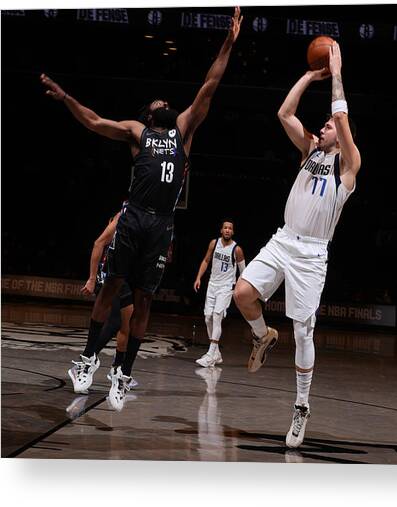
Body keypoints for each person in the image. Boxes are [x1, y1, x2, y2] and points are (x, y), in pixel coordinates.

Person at [40, 7, 243, 411]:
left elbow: (211, 83)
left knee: (146, 300)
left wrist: (227, 43)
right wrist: (66, 99)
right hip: (134, 216)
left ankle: (123, 372)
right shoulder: (138, 133)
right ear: (149, 115)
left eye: (166, 101)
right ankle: (87, 359)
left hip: (162, 223)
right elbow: (95, 122)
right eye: (157, 102)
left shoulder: (184, 127)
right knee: (112, 286)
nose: (164, 102)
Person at [233, 42, 361, 448]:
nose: (321, 128)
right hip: (283, 239)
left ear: (338, 135)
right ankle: (261, 334)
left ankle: (301, 406)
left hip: (311, 254)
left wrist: (337, 74)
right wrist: (311, 75)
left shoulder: (348, 165)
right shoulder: (310, 150)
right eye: (322, 127)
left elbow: (341, 118)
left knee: (304, 333)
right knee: (242, 293)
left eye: (326, 127)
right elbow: (284, 113)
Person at [72, 205, 138, 390]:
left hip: (127, 279)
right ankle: (86, 360)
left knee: (126, 324)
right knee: (115, 321)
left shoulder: (144, 226)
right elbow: (98, 244)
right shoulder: (122, 218)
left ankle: (117, 368)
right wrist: (92, 279)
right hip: (110, 278)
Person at [193, 220, 246, 367]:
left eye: (230, 228)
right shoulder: (213, 243)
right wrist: (198, 278)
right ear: (221, 230)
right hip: (212, 285)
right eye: (225, 228)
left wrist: (238, 288)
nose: (228, 230)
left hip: (226, 286)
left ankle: (210, 354)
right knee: (207, 318)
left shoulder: (237, 249)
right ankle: (216, 353)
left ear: (232, 232)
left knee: (217, 316)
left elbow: (244, 272)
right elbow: (205, 260)